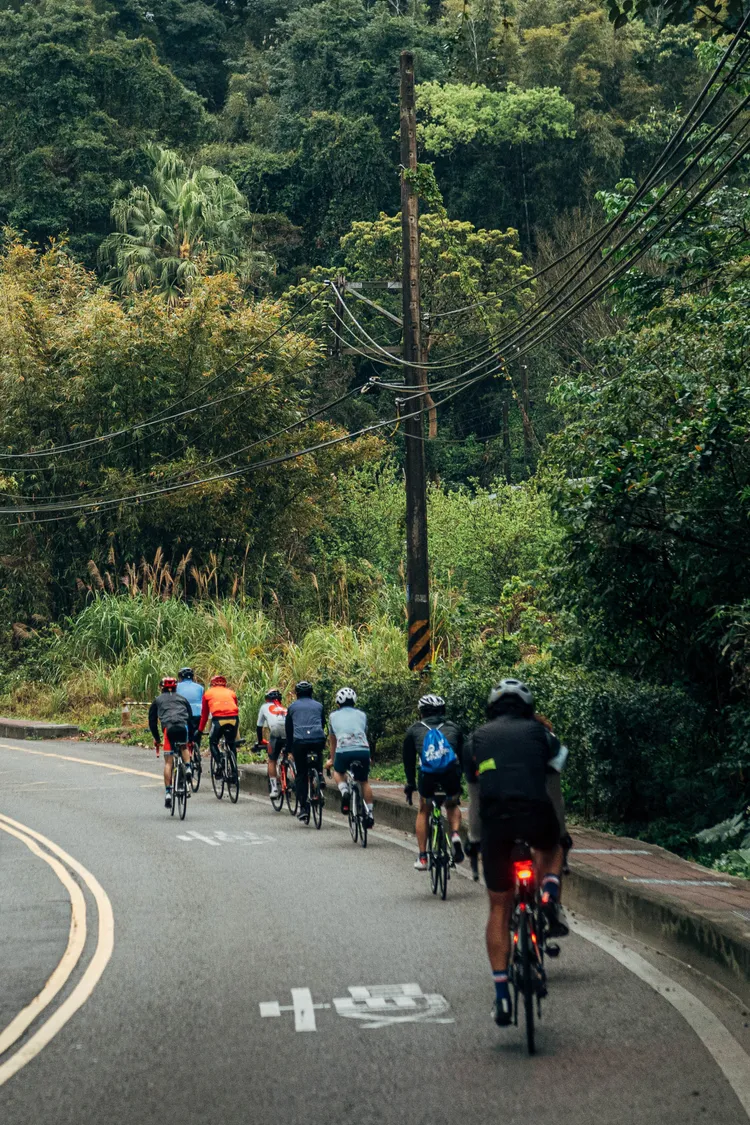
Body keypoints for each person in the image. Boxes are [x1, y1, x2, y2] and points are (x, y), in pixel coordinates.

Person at [464, 678, 568, 1029]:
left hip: (496, 825)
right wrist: (561, 833)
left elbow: (474, 795)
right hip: (536, 815)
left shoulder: (476, 740)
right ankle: (550, 894)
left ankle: (502, 995)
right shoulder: (543, 736)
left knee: (499, 906)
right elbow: (553, 785)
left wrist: (475, 839)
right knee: (551, 849)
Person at [403, 694, 464, 871]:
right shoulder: (454, 728)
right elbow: (463, 756)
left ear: (421, 712)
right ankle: (454, 835)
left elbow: (408, 761)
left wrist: (410, 784)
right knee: (451, 804)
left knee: (424, 810)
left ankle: (423, 857)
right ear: (442, 711)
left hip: (427, 777)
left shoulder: (414, 730)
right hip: (450, 775)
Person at [324, 687, 374, 828]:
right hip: (363, 750)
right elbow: (364, 735)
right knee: (364, 781)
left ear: (338, 703)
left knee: (338, 772)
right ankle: (369, 814)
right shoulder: (362, 715)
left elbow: (333, 741)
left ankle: (345, 791)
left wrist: (332, 760)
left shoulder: (333, 717)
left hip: (343, 750)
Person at [148, 676, 193, 809]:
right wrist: (191, 738)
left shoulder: (157, 700)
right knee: (184, 746)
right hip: (182, 726)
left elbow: (152, 722)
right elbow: (190, 719)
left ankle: (168, 792)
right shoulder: (182, 699)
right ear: (176, 687)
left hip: (169, 728)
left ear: (161, 688)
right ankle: (189, 767)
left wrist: (157, 738)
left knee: (168, 762)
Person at [285, 681, 326, 823]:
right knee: (318, 754)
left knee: (301, 775)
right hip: (317, 739)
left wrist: (288, 749)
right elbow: (322, 724)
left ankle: (304, 809)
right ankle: (320, 775)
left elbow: (289, 731)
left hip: (300, 742)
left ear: (297, 694)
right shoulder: (319, 706)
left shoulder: (292, 707)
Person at [198, 675, 240, 777]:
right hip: (233, 719)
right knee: (231, 744)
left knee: (213, 742)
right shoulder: (231, 693)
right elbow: (234, 708)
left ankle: (220, 764)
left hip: (218, 720)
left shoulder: (208, 694)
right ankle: (234, 771)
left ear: (212, 684)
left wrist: (199, 730)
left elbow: (204, 716)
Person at [256, 688, 287, 798]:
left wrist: (260, 741)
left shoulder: (264, 707)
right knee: (291, 755)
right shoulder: (284, 708)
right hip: (289, 731)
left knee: (272, 760)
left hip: (276, 731)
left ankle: (274, 789)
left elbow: (259, 727)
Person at [176, 667, 204, 748]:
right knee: (196, 733)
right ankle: (196, 749)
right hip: (197, 714)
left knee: (181, 734)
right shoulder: (200, 687)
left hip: (182, 714)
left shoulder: (176, 686)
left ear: (180, 677)